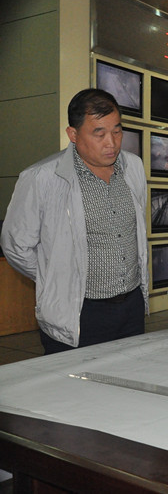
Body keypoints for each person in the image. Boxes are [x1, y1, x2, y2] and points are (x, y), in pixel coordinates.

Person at [1, 89, 148, 353]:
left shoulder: (133, 167)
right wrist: (58, 277)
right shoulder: (42, 178)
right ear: (73, 134)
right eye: (99, 134)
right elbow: (16, 246)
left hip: (131, 306)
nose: (111, 143)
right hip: (79, 311)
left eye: (117, 131)